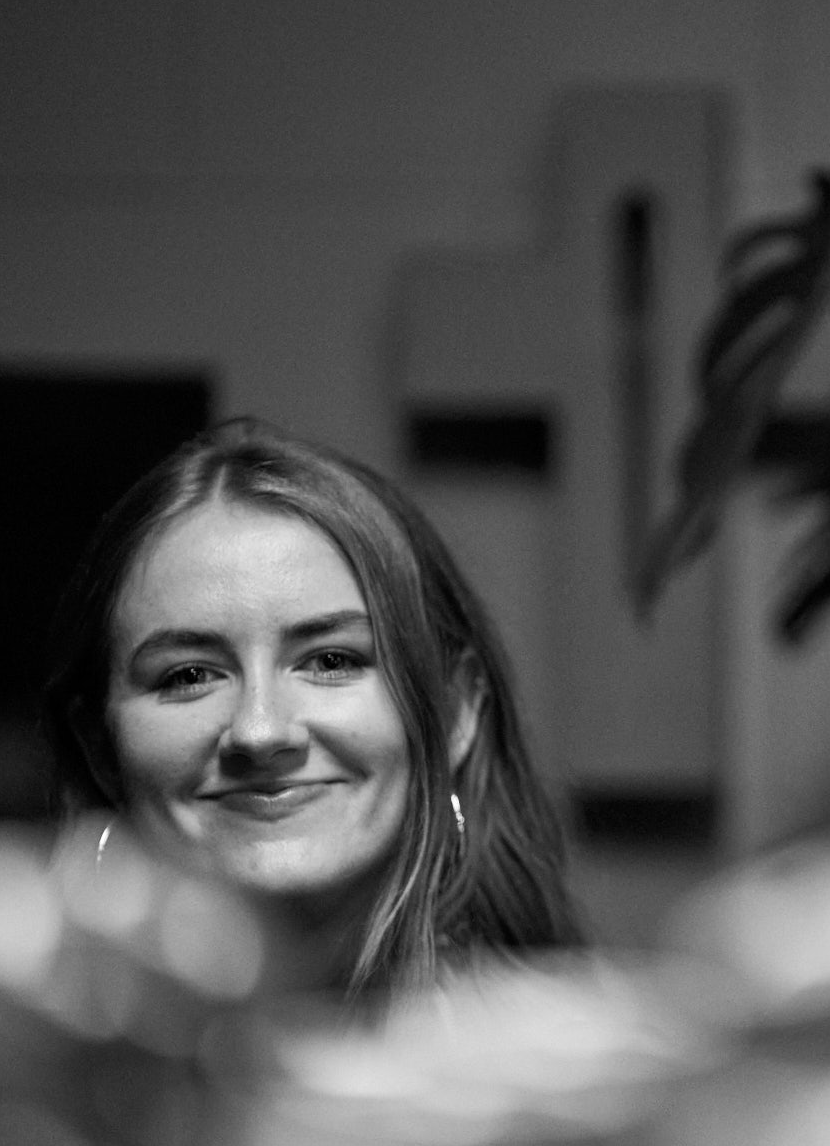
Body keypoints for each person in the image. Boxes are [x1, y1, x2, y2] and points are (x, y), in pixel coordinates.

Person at [42, 418, 582, 998]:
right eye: (190, 675)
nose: (259, 731)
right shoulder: (13, 1054)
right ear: (99, 743)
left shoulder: (579, 1049)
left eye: (330, 661)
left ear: (455, 712)